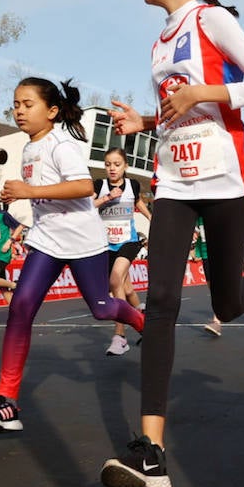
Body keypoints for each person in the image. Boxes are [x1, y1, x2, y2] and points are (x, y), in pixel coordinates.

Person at [100, 0, 244, 487]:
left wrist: (205, 92)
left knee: (227, 304)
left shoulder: (210, 20)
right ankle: (152, 453)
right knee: (160, 302)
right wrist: (147, 121)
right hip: (174, 183)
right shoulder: (160, 42)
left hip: (226, 180)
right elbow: (178, 108)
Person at [0, 77, 146, 434]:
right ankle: (7, 401)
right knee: (21, 306)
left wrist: (29, 190)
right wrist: (20, 197)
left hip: (82, 242)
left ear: (51, 111)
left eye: (27, 104)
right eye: (16, 103)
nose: (19, 110)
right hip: (47, 240)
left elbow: (84, 186)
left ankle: (145, 324)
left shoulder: (61, 143)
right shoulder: (28, 148)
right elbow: (43, 195)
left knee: (101, 308)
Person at [94, 146, 150, 356]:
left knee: (116, 279)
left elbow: (138, 203)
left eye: (117, 164)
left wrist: (153, 219)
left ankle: (120, 337)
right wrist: (107, 198)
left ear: (125, 166)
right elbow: (88, 207)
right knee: (126, 289)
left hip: (129, 241)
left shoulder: (132, 185)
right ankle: (144, 322)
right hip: (106, 244)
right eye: (108, 165)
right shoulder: (99, 185)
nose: (112, 169)